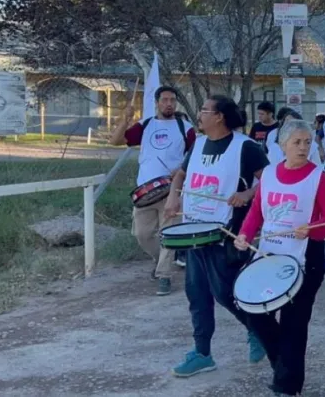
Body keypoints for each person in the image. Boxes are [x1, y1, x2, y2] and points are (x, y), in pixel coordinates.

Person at [161, 95, 269, 377]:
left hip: (227, 233)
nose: (200, 114)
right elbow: (180, 175)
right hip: (195, 232)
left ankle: (259, 330)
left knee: (226, 293)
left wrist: (247, 193)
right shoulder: (197, 144)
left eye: (205, 110)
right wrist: (174, 197)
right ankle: (202, 353)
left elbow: (271, 177)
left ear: (219, 116)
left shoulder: (245, 147)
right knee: (196, 294)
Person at [232, 119, 325, 396]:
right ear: (282, 146)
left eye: (307, 142)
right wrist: (244, 234)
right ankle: (284, 364)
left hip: (307, 258)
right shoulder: (268, 174)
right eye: (297, 142)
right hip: (268, 253)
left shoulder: (318, 176)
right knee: (253, 313)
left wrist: (312, 229)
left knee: (294, 323)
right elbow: (257, 212)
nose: (303, 148)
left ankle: (287, 386)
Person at [109, 85, 195, 296]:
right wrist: (125, 119)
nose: (169, 104)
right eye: (164, 100)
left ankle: (164, 276)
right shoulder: (145, 125)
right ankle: (161, 261)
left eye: (172, 100)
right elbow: (115, 141)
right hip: (145, 192)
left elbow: (196, 154)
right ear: (156, 103)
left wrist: (182, 169)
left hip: (172, 191)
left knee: (168, 234)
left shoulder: (186, 128)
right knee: (142, 234)